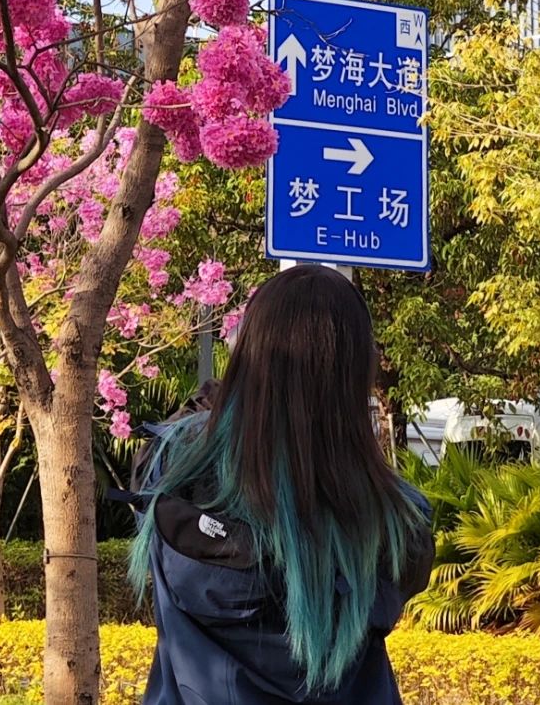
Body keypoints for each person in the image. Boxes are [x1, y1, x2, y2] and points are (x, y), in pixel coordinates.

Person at [130, 266, 434, 705]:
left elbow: (150, 479)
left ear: (246, 353)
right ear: (356, 374)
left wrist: (231, 389)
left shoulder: (177, 467)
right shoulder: (396, 517)